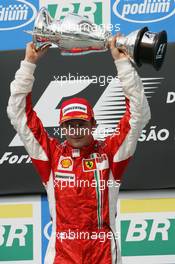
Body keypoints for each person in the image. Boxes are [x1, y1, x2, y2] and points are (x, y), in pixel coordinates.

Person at [7, 37, 151, 264]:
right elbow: (19, 115)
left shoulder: (110, 153)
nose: (75, 130)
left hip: (103, 253)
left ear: (93, 125)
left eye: (81, 124)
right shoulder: (51, 155)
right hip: (63, 254)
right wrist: (28, 64)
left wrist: (122, 64)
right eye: (69, 125)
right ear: (62, 127)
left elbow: (138, 115)